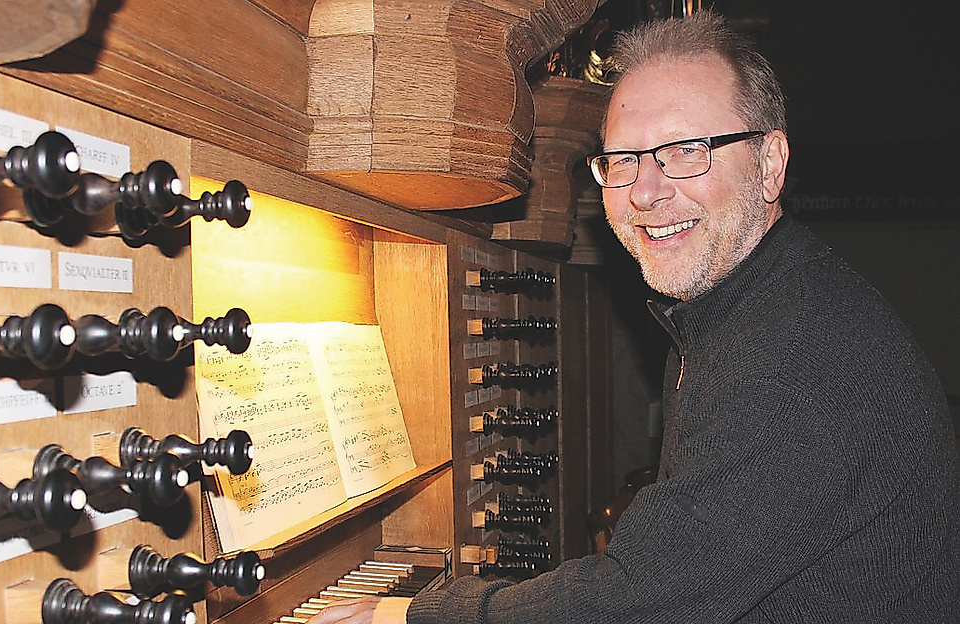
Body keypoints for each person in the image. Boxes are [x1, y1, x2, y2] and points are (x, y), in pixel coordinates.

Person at [308, 12, 959, 623]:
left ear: (770, 164)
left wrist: (412, 612)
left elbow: (639, 602)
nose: (646, 192)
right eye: (622, 160)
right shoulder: (737, 308)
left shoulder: (791, 366)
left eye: (685, 150)